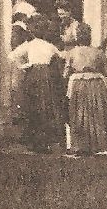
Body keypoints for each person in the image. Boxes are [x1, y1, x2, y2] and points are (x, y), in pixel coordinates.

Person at [10, 15, 66, 152]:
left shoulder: (29, 45)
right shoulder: (49, 46)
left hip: (33, 75)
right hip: (45, 77)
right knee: (45, 108)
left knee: (33, 107)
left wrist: (24, 65)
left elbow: (11, 56)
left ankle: (35, 142)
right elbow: (62, 56)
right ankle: (42, 142)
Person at [61, 37, 107, 156]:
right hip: (96, 85)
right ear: (90, 37)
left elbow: (65, 73)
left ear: (77, 38)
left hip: (78, 85)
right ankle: (98, 143)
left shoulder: (72, 52)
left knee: (79, 113)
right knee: (95, 112)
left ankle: (80, 145)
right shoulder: (98, 52)